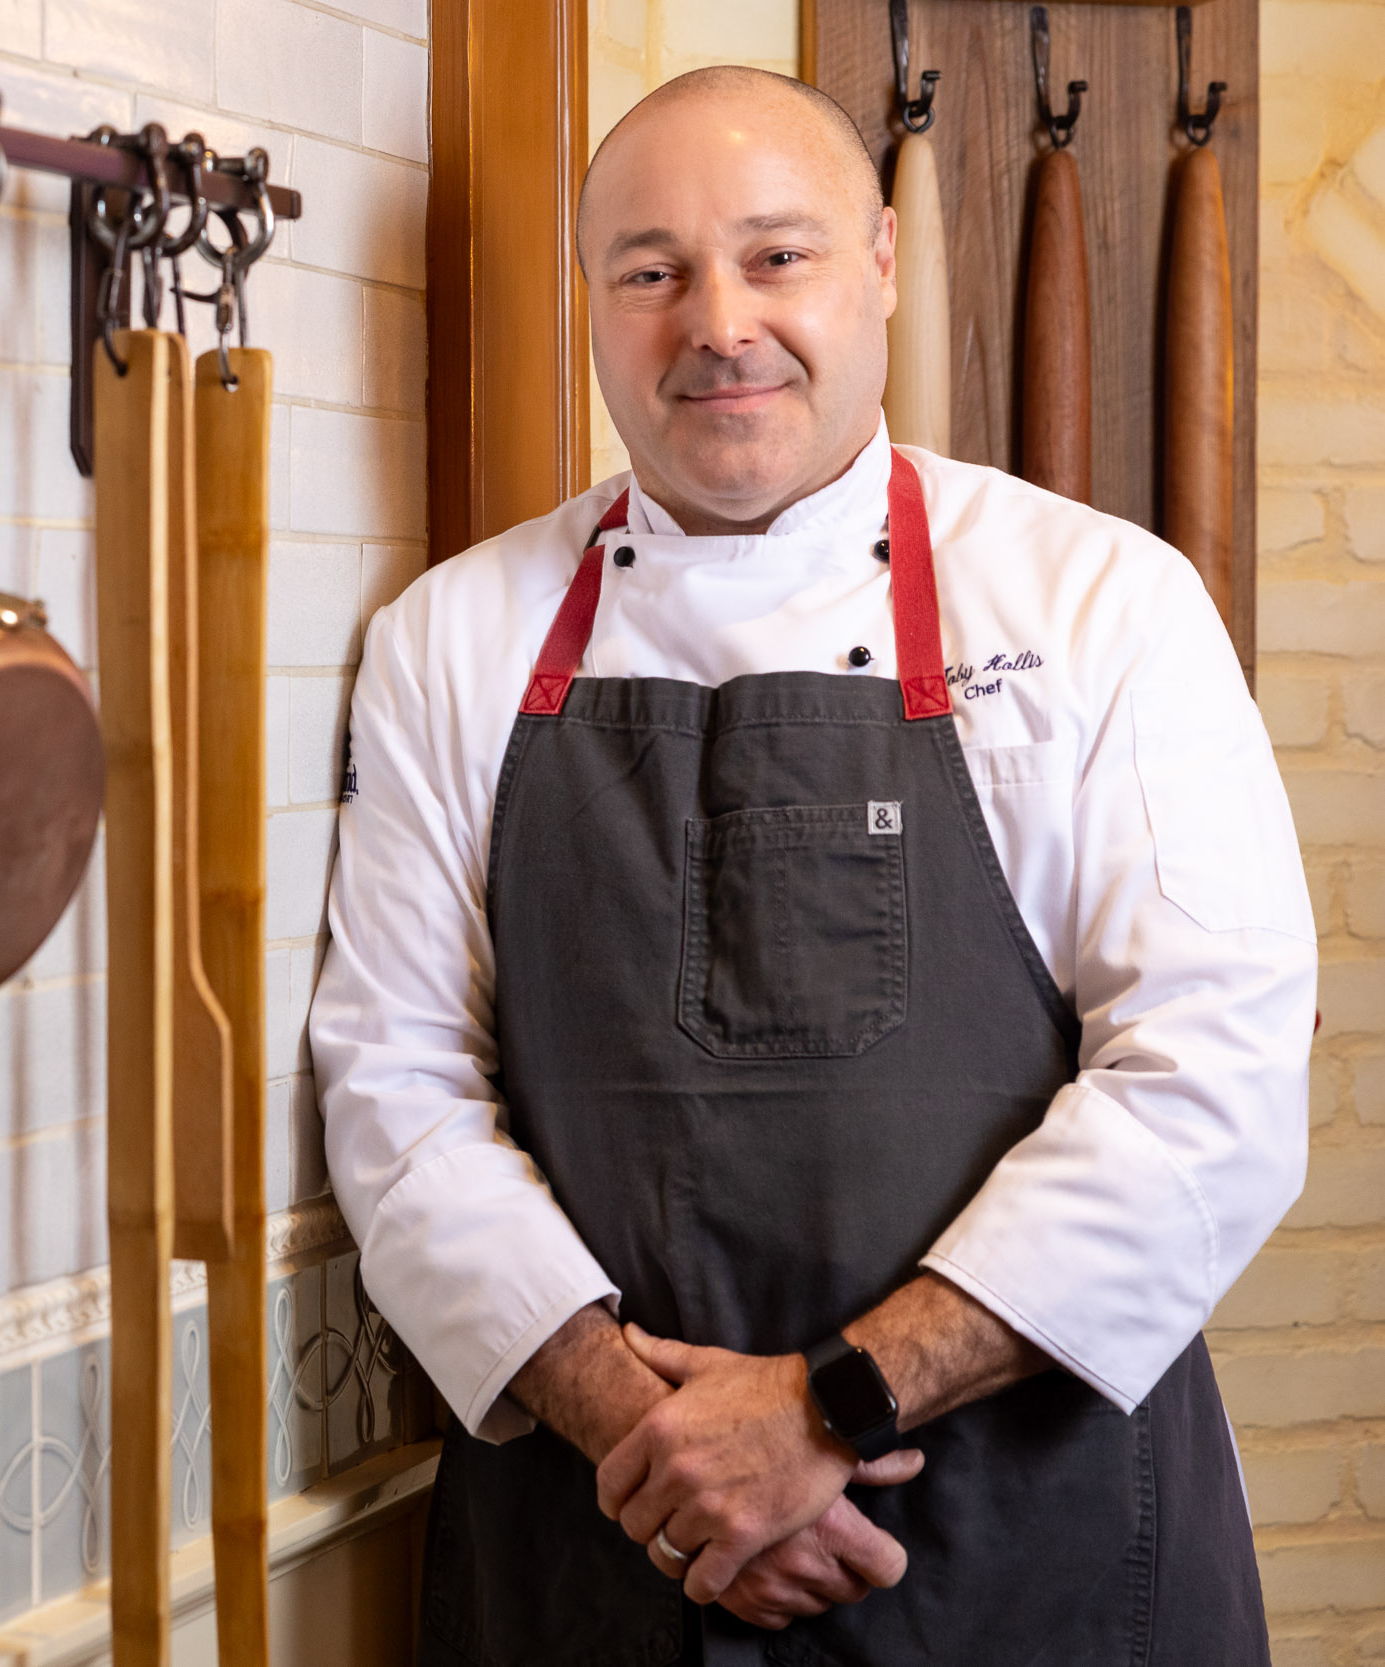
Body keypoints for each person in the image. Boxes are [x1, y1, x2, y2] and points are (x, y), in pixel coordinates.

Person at [311, 65, 1313, 1666]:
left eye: (777, 256)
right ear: (594, 300)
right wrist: (653, 1444)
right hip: (609, 1541)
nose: (718, 321)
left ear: (882, 270)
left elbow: (1219, 1087)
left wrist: (825, 1410)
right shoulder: (455, 637)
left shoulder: (1104, 607)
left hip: (1022, 1550)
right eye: (651, 271)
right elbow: (396, 1089)